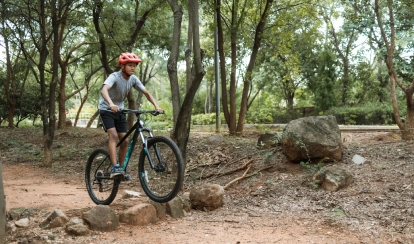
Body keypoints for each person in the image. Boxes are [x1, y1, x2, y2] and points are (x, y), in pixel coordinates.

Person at [98, 52, 163, 180]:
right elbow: (104, 90)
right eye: (130, 65)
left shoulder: (133, 79)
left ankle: (120, 170)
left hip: (120, 111)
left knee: (125, 141)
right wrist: (111, 104)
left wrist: (157, 106)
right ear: (123, 66)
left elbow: (146, 93)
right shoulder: (114, 76)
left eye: (134, 66)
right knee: (113, 135)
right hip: (106, 110)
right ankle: (114, 166)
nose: (133, 68)